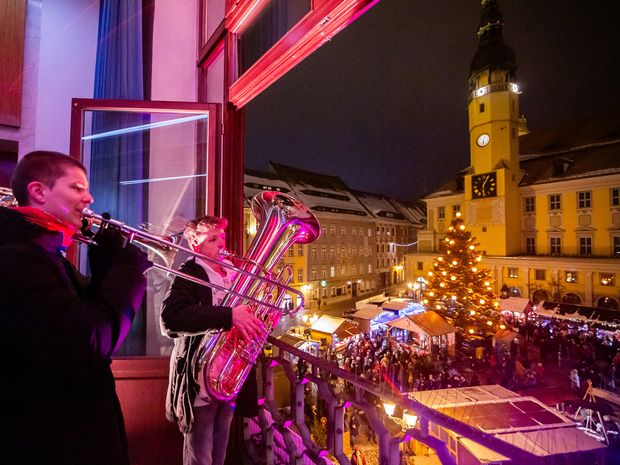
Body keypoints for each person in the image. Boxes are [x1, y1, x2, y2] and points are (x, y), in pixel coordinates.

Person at [0, 151, 150, 465]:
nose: (89, 198)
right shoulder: (18, 258)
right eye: (77, 188)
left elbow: (79, 317)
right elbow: (88, 343)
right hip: (51, 441)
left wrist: (105, 269)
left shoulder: (46, 253)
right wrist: (127, 274)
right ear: (38, 191)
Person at [160, 215, 264, 465]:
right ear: (196, 244)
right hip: (200, 381)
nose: (221, 244)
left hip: (229, 377)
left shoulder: (234, 272)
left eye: (222, 237)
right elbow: (170, 319)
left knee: (220, 452)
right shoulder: (189, 273)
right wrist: (229, 316)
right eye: (213, 239)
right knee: (200, 456)